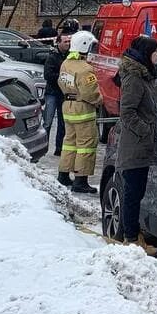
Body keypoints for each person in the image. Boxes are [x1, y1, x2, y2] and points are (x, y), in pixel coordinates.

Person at [113, 35, 157, 254]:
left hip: (141, 145)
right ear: (146, 54)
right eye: (155, 51)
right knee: (133, 192)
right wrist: (145, 130)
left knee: (136, 192)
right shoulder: (134, 78)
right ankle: (131, 239)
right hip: (135, 146)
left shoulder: (144, 76)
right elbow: (127, 112)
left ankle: (130, 233)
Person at [57, 30, 101, 193]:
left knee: (69, 143)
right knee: (86, 145)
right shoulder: (85, 69)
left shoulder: (65, 64)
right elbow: (91, 92)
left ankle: (63, 175)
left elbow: (60, 82)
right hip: (83, 109)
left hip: (67, 106)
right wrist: (99, 101)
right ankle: (80, 181)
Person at [42, 33, 72, 155]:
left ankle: (59, 148)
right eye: (65, 42)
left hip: (63, 93)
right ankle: (43, 147)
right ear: (58, 43)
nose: (68, 44)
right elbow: (47, 75)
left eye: (69, 42)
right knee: (48, 121)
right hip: (52, 93)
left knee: (62, 122)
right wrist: (62, 77)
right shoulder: (52, 57)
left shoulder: (70, 56)